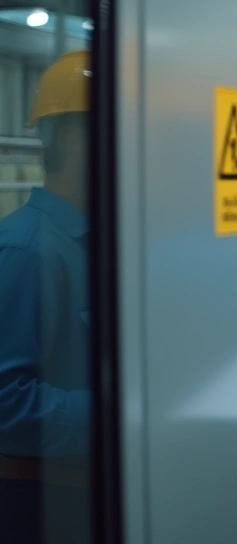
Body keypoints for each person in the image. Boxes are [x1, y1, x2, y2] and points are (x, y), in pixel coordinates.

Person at [0, 49, 94, 543]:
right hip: (41, 509)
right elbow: (7, 407)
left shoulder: (102, 244)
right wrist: (128, 412)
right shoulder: (27, 250)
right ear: (79, 139)